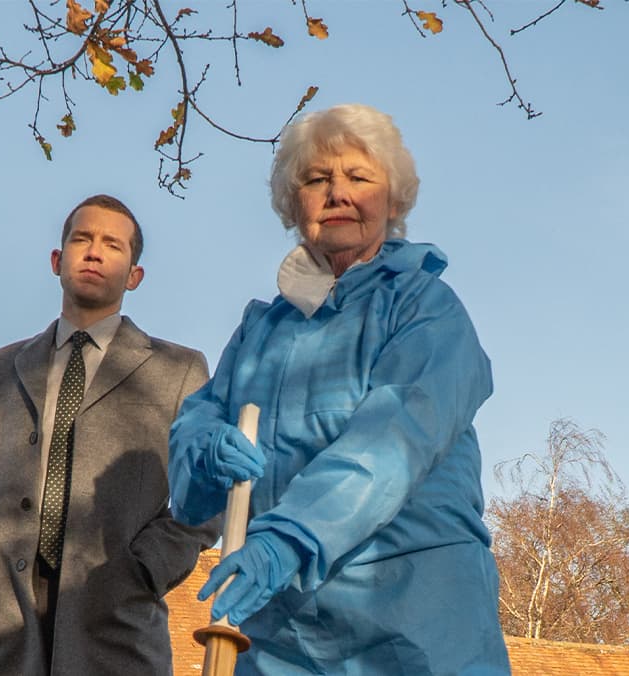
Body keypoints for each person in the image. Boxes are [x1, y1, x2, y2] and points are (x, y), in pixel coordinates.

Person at [168, 103, 511, 675]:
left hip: (416, 625)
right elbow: (195, 440)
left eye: (359, 177)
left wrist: (288, 539)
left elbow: (395, 439)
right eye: (316, 179)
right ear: (292, 204)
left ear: (393, 201)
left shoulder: (426, 308)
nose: (338, 193)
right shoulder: (260, 330)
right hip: (279, 636)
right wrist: (202, 451)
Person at [0, 195, 220, 675]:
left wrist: (145, 569)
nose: (93, 252)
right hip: (11, 621)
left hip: (118, 619)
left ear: (134, 275)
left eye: (112, 244)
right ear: (56, 260)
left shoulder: (179, 370)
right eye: (81, 239)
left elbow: (207, 496)